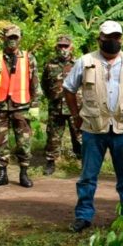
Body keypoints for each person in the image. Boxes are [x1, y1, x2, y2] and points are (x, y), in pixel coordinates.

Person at [63, 20, 123, 232]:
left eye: (116, 37)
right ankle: (83, 216)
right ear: (99, 39)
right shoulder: (85, 61)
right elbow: (68, 89)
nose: (112, 41)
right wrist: (76, 115)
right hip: (93, 128)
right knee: (87, 177)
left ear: (121, 39)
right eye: (107, 38)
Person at [0, 25, 40, 188]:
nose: (12, 41)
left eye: (15, 37)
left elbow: (34, 83)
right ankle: (2, 174)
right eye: (10, 37)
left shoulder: (29, 58)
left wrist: (35, 104)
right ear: (4, 38)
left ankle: (24, 174)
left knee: (24, 142)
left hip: (21, 106)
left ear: (20, 38)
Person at [42, 35, 82, 175]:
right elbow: (44, 85)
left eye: (66, 46)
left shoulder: (79, 64)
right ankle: (50, 162)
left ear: (71, 47)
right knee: (53, 136)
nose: (63, 49)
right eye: (60, 46)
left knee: (79, 135)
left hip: (75, 107)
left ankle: (83, 161)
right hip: (56, 107)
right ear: (56, 47)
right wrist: (52, 98)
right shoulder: (50, 64)